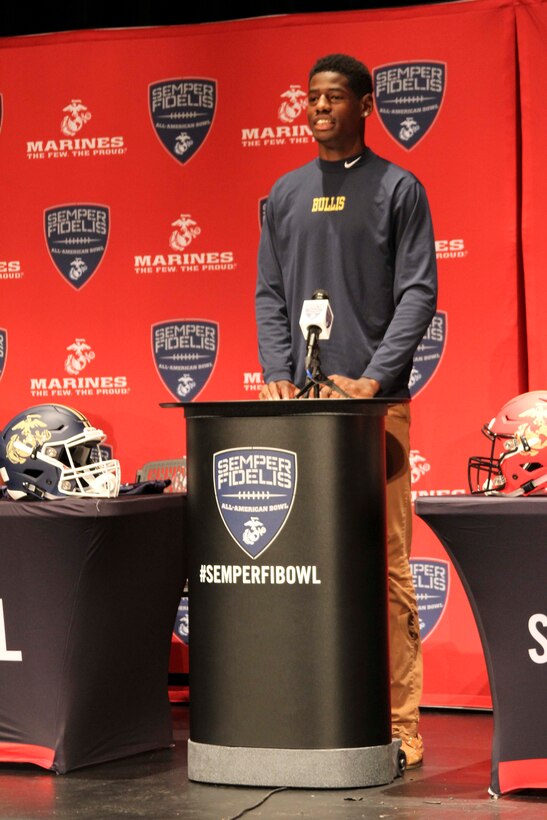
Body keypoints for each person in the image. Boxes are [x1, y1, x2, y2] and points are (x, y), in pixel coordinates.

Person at [255, 53, 437, 768]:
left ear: (365, 105)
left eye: (333, 98)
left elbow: (418, 292)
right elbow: (270, 292)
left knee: (387, 566)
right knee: (302, 564)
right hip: (301, 410)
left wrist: (374, 379)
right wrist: (276, 372)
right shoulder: (285, 191)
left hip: (371, 410)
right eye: (310, 98)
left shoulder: (399, 187)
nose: (318, 108)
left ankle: (400, 723)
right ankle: (307, 707)